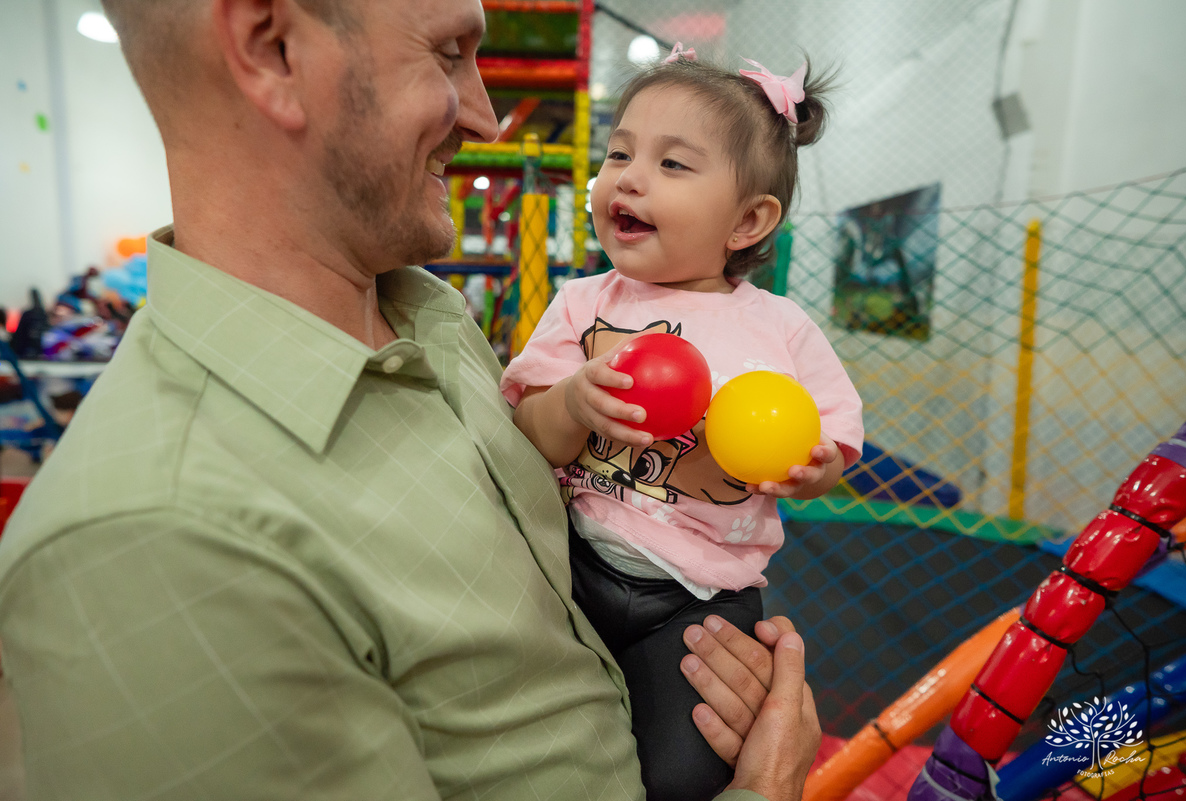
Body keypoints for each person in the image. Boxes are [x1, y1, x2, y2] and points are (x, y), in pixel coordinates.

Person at [0, 3, 820, 800]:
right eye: (447, 53)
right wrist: (765, 786)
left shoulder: (427, 315)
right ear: (271, 48)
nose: (489, 118)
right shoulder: (154, 545)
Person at [501, 48, 863, 801]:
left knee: (683, 773)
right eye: (619, 153)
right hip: (570, 567)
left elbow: (833, 440)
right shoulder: (583, 304)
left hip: (701, 598)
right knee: (534, 743)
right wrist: (571, 402)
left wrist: (812, 466)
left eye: (673, 165)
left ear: (748, 220)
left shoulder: (781, 329)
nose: (627, 177)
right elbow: (529, 432)